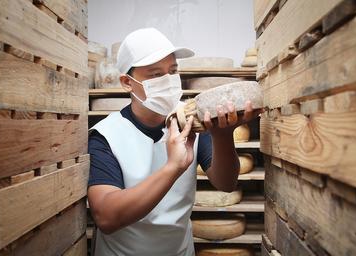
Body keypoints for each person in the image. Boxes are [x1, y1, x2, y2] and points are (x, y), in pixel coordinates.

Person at [87, 28, 261, 256]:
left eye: (173, 71)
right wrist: (173, 167)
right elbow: (107, 217)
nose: (168, 81)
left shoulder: (192, 121)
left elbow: (226, 183)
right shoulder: (106, 135)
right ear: (127, 82)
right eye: (155, 74)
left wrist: (223, 136)